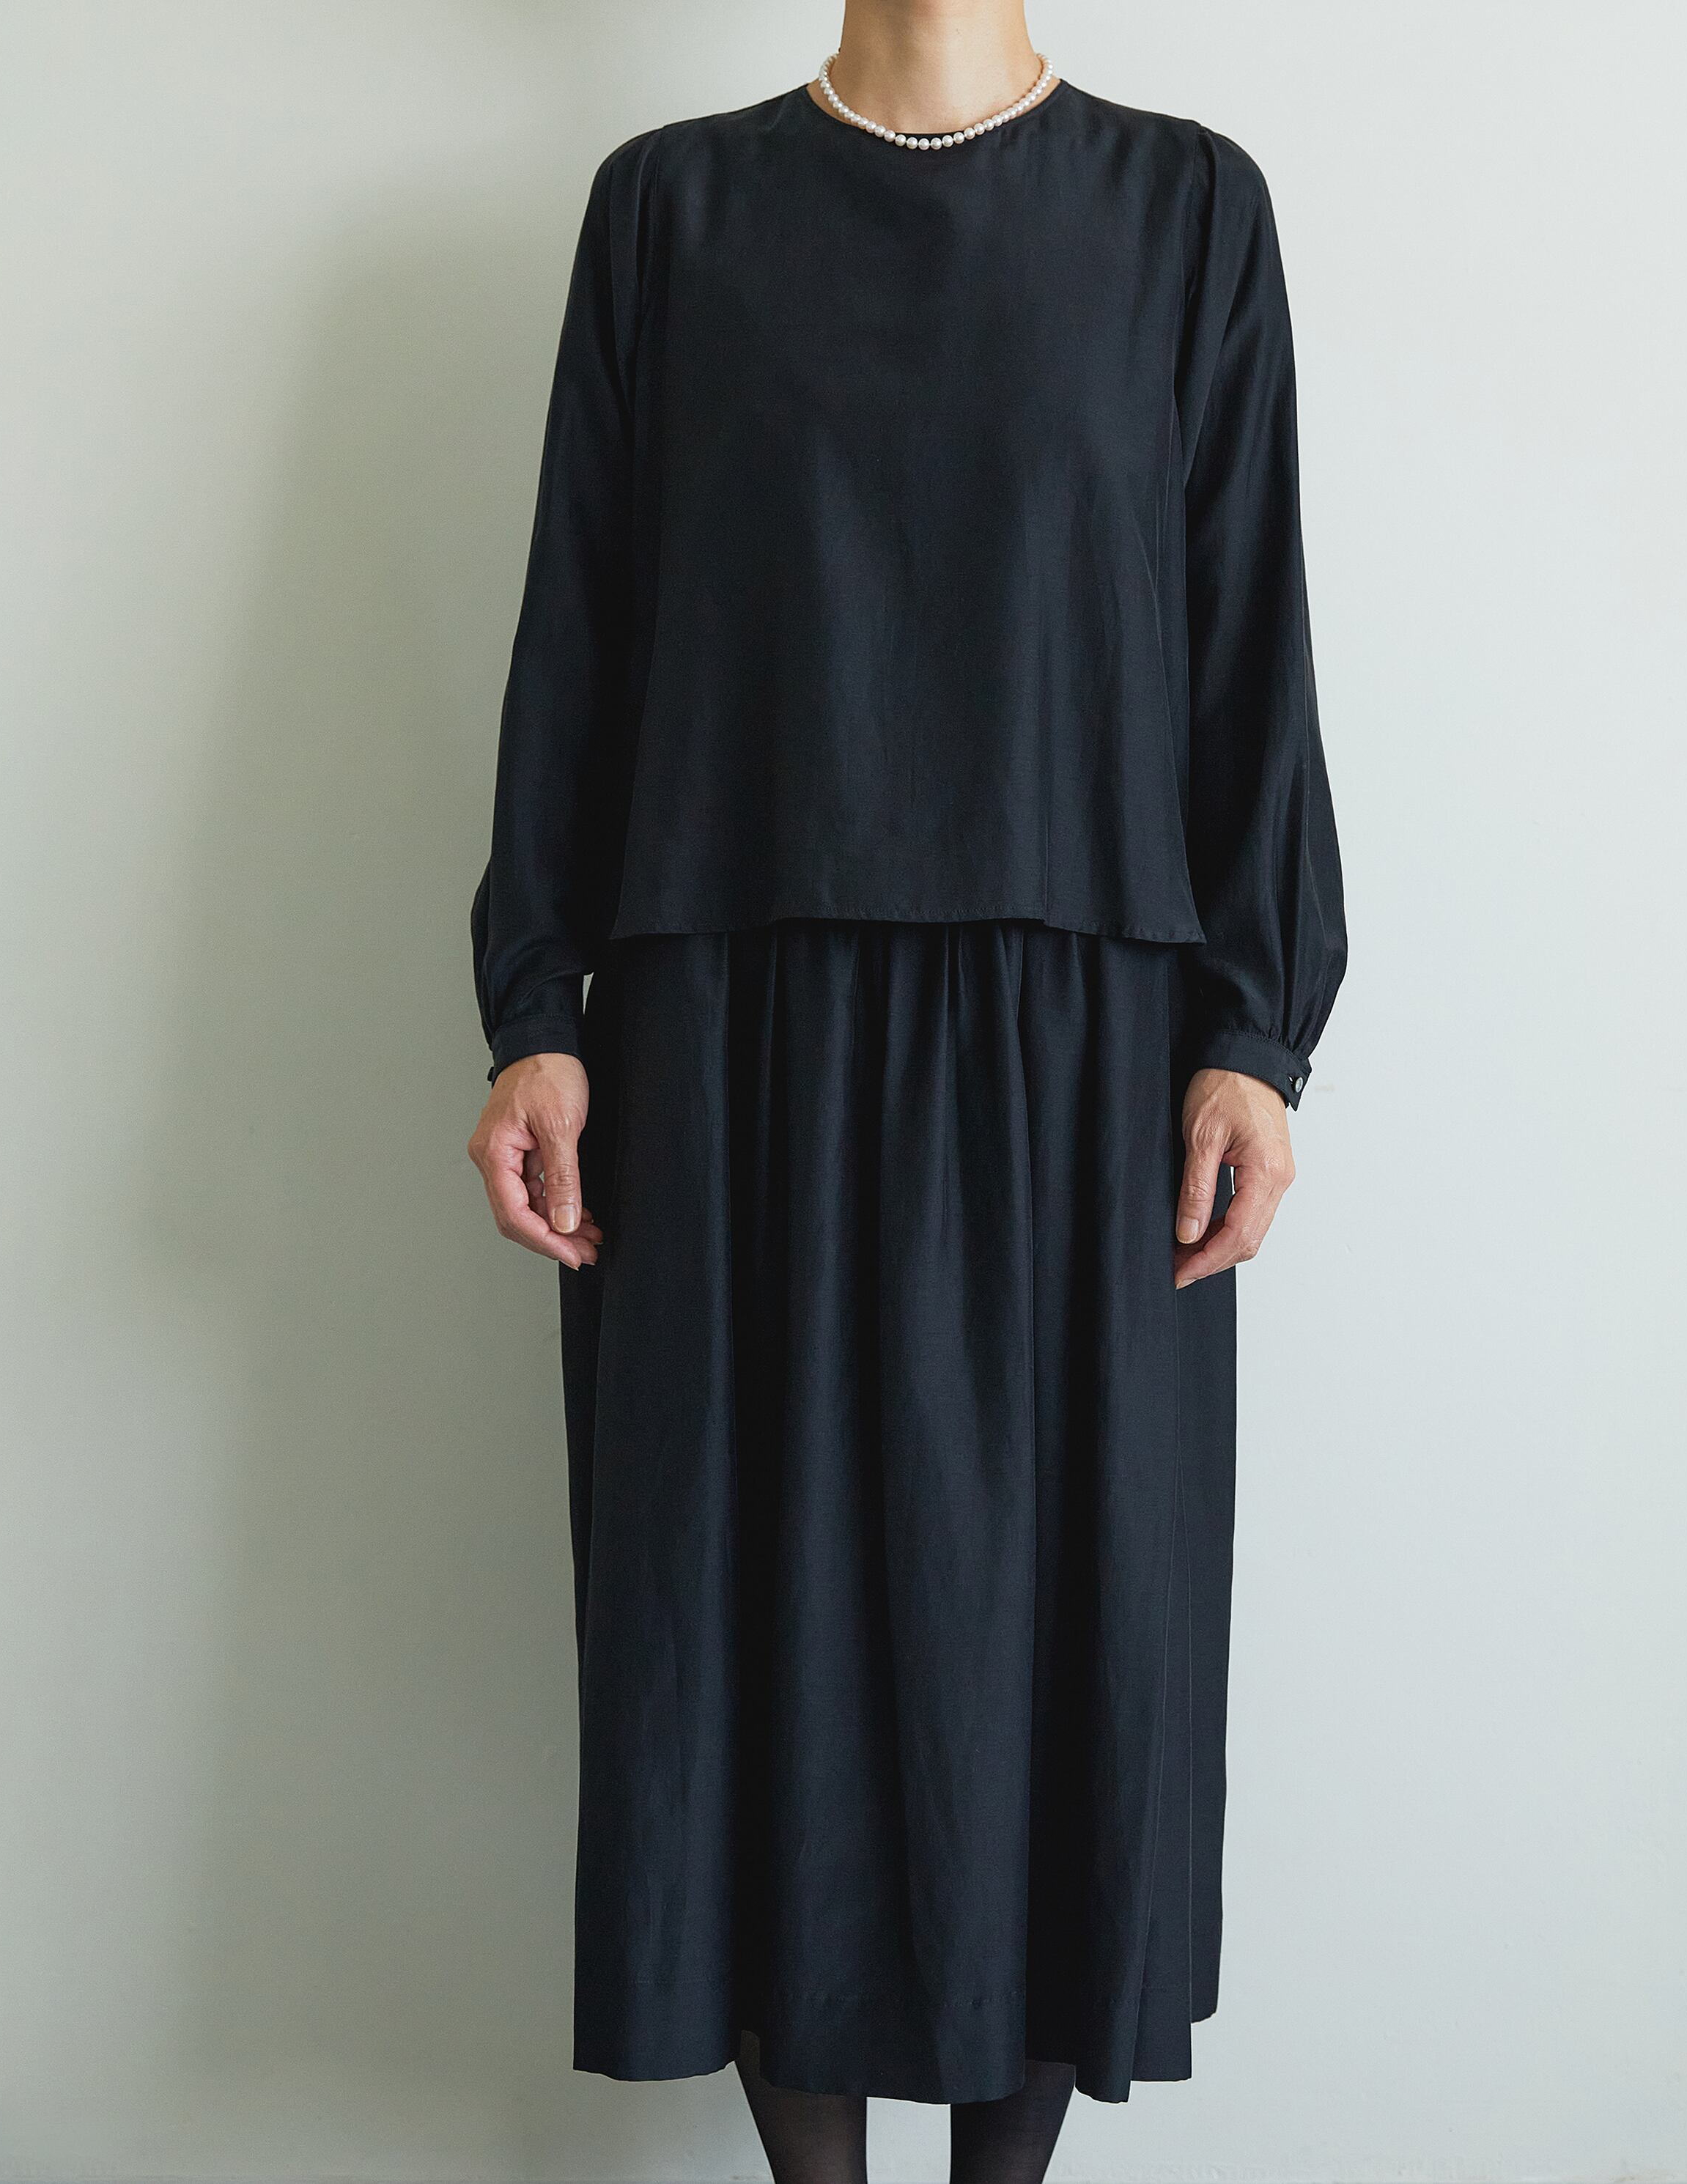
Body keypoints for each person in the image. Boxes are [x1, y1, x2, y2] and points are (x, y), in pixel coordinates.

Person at [466, 7, 1345, 2180]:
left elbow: (1247, 642)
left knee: (1048, 1654)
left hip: (1085, 1061)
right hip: (726, 1040)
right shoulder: (670, 215)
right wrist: (535, 1003)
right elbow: (579, 621)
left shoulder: (1184, 212)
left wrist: (1255, 1031)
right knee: (752, 1645)